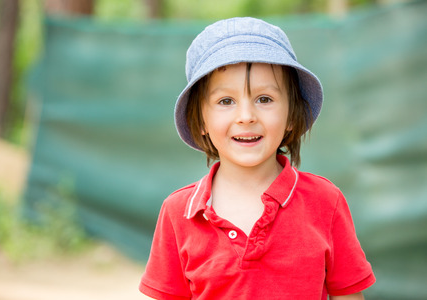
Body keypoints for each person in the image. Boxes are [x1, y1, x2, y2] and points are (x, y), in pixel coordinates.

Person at [139, 17, 375, 299]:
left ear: (291, 114)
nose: (246, 116)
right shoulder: (178, 212)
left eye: (264, 99)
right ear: (200, 119)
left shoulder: (326, 202)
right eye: (226, 101)